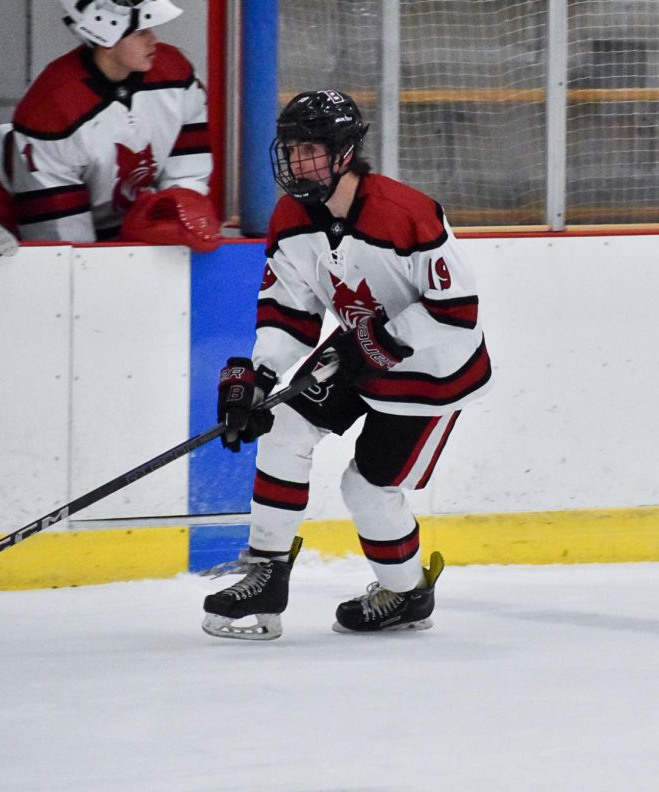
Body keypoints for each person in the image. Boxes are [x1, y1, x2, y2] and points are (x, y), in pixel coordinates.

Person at [202, 90, 493, 640]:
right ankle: (267, 571)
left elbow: (456, 314)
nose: (295, 162)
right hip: (359, 350)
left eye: (309, 149)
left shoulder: (408, 213)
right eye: (289, 149)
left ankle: (407, 594)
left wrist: (379, 342)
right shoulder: (292, 217)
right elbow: (290, 307)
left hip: (433, 373)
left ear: (343, 153)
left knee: (366, 488)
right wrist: (259, 376)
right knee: (283, 424)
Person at [0, 0, 219, 249]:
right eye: (140, 31)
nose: (153, 39)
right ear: (104, 36)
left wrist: (171, 214)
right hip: (17, 240)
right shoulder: (52, 107)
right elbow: (62, 243)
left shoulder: (175, 71)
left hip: (127, 228)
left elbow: (188, 175)